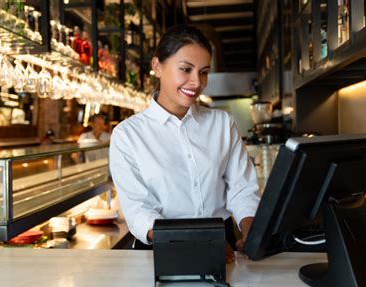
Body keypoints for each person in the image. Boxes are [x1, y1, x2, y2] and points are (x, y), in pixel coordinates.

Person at [109, 25, 260, 262]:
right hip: (162, 249)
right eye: (186, 69)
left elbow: (242, 188)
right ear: (157, 67)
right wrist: (190, 239)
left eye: (204, 72)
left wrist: (252, 229)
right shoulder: (127, 135)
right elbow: (138, 211)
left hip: (223, 244)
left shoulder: (222, 123)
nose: (196, 82)